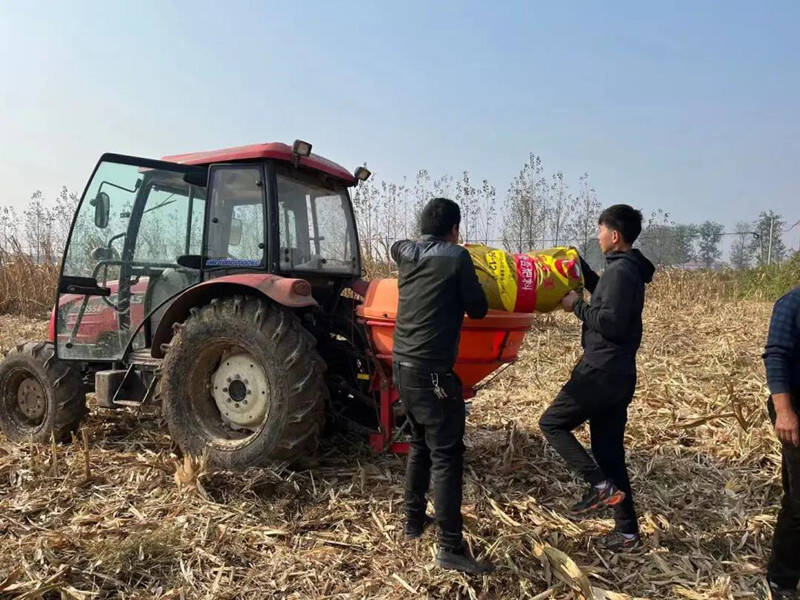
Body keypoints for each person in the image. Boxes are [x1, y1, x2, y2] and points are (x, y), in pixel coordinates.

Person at [538, 204, 654, 551]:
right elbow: (607, 297)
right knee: (608, 452)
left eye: (600, 230)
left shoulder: (622, 273)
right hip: (618, 374)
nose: (598, 235)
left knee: (552, 424)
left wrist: (575, 305)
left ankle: (598, 486)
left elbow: (611, 322)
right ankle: (629, 532)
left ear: (614, 235)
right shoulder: (625, 270)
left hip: (600, 372)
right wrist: (583, 271)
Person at [391, 197, 491, 575]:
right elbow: (478, 308)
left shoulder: (406, 253)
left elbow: (396, 244)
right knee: (447, 453)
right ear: (454, 229)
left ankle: (413, 522)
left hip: (402, 367)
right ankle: (451, 547)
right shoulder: (456, 257)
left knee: (420, 443)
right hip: (433, 373)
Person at [763, 285, 800, 600]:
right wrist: (785, 411)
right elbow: (776, 356)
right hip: (795, 408)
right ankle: (782, 579)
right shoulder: (792, 303)